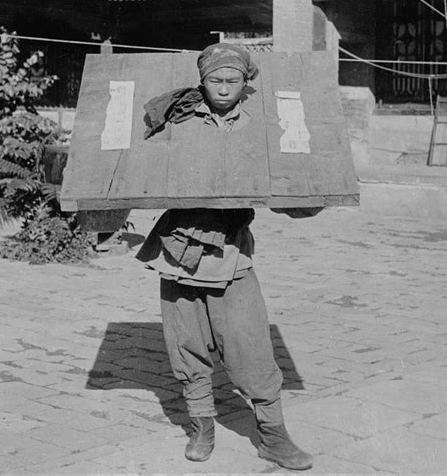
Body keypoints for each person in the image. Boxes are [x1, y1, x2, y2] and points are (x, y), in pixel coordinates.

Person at [137, 43, 321, 471]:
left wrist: (311, 192)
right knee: (186, 344)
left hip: (231, 251)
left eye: (232, 81)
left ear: (246, 83)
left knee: (250, 345)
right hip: (177, 248)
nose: (223, 89)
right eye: (215, 80)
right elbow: (140, 168)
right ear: (202, 81)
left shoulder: (259, 125)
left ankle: (273, 437)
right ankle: (202, 425)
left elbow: (282, 180)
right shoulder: (177, 119)